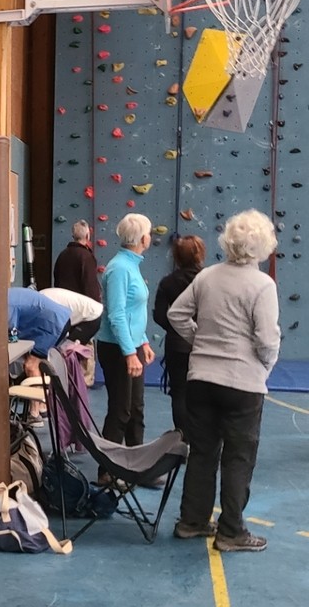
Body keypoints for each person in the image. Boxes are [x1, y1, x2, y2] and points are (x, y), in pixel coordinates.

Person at [169, 211, 281, 552]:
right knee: (238, 457)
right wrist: (265, 365)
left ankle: (192, 521)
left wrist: (200, 339)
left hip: (201, 379)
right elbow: (266, 338)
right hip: (242, 385)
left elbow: (176, 314)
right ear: (264, 247)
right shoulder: (262, 285)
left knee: (202, 452)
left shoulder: (207, 276)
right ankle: (231, 531)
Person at [95, 213, 155, 446]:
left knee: (135, 409)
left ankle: (136, 462)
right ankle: (108, 470)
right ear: (142, 238)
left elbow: (134, 311)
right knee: (121, 410)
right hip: (117, 348)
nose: (149, 237)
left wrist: (144, 341)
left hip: (133, 344)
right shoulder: (120, 268)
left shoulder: (131, 264)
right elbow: (117, 314)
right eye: (148, 233)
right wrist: (130, 353)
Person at [153, 234, 205, 439]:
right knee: (203, 393)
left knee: (179, 392)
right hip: (203, 343)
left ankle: (183, 437)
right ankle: (201, 437)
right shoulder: (208, 279)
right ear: (200, 254)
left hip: (176, 345)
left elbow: (159, 315)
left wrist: (174, 328)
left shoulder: (168, 282)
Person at [53, 220, 102, 303]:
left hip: (63, 303)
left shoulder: (62, 254)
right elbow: (90, 285)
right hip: (80, 306)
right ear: (87, 236)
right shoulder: (86, 256)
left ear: (73, 236)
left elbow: (57, 279)